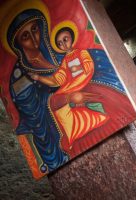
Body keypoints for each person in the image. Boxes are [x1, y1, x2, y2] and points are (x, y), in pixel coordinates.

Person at [5, 8, 68, 174]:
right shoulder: (19, 75)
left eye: (34, 29)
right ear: (18, 43)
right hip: (47, 119)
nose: (33, 38)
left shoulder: (54, 53)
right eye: (25, 36)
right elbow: (30, 110)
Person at [30, 26, 109, 148]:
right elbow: (58, 79)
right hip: (70, 88)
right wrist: (39, 78)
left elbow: (89, 66)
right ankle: (71, 133)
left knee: (73, 98)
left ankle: (91, 121)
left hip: (83, 83)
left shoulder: (81, 52)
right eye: (60, 43)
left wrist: (79, 68)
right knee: (54, 100)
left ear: (71, 38)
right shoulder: (65, 61)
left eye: (65, 39)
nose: (64, 45)